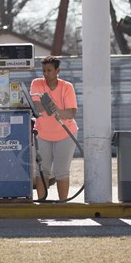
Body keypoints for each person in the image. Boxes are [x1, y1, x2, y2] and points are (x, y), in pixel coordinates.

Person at [29, 55, 79, 200]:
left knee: (61, 170)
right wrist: (46, 105)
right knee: (42, 170)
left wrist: (55, 109)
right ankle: (42, 201)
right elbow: (35, 107)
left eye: (49, 70)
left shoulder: (67, 87)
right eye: (44, 70)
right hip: (42, 133)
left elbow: (70, 113)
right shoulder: (37, 83)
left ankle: (62, 202)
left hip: (65, 134)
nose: (46, 74)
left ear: (58, 71)